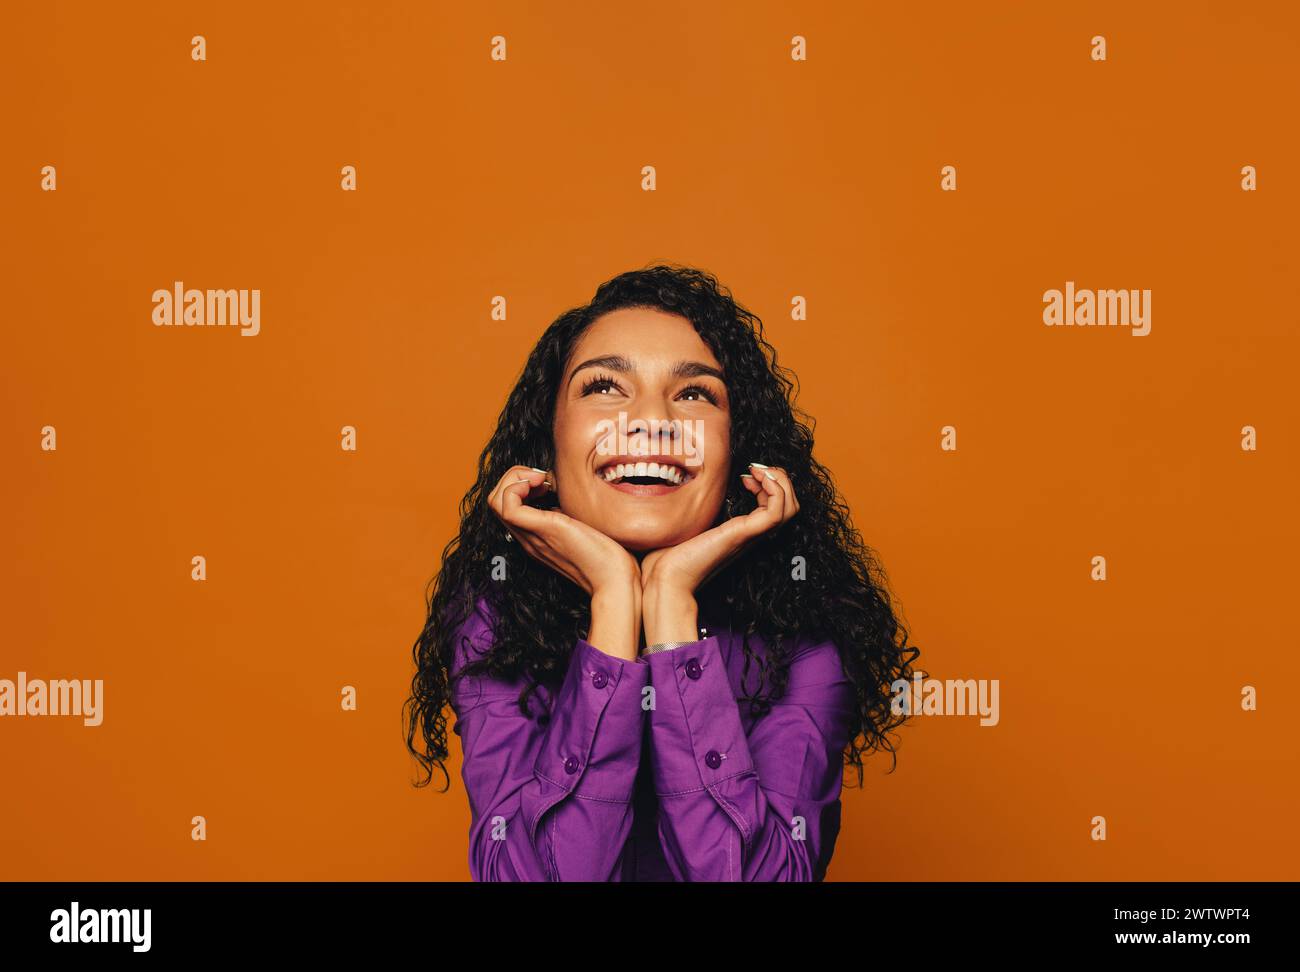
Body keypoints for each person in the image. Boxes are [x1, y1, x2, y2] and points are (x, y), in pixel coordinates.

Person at [404, 264, 920, 880]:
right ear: (550, 440)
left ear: (739, 452)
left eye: (695, 394)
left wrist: (670, 605)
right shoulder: (493, 617)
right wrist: (615, 603)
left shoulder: (807, 627)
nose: (649, 421)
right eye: (604, 388)